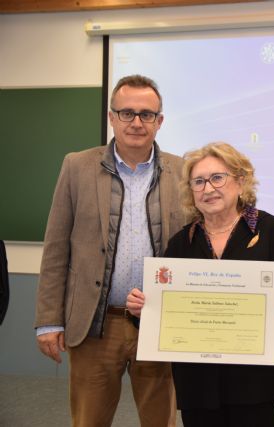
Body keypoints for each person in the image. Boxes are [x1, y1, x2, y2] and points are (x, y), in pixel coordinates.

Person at [126, 142, 274, 427]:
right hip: (198, 384)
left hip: (254, 379)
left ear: (240, 182)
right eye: (198, 182)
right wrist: (142, 309)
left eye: (217, 178)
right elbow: (160, 305)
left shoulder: (269, 230)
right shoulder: (183, 241)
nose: (207, 188)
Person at [34, 74, 183, 427]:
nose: (136, 122)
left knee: (161, 420)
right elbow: (56, 248)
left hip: (160, 322)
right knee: (89, 420)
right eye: (127, 112)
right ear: (111, 116)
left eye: (146, 114)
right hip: (96, 324)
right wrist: (48, 321)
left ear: (160, 121)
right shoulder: (76, 167)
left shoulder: (182, 170)